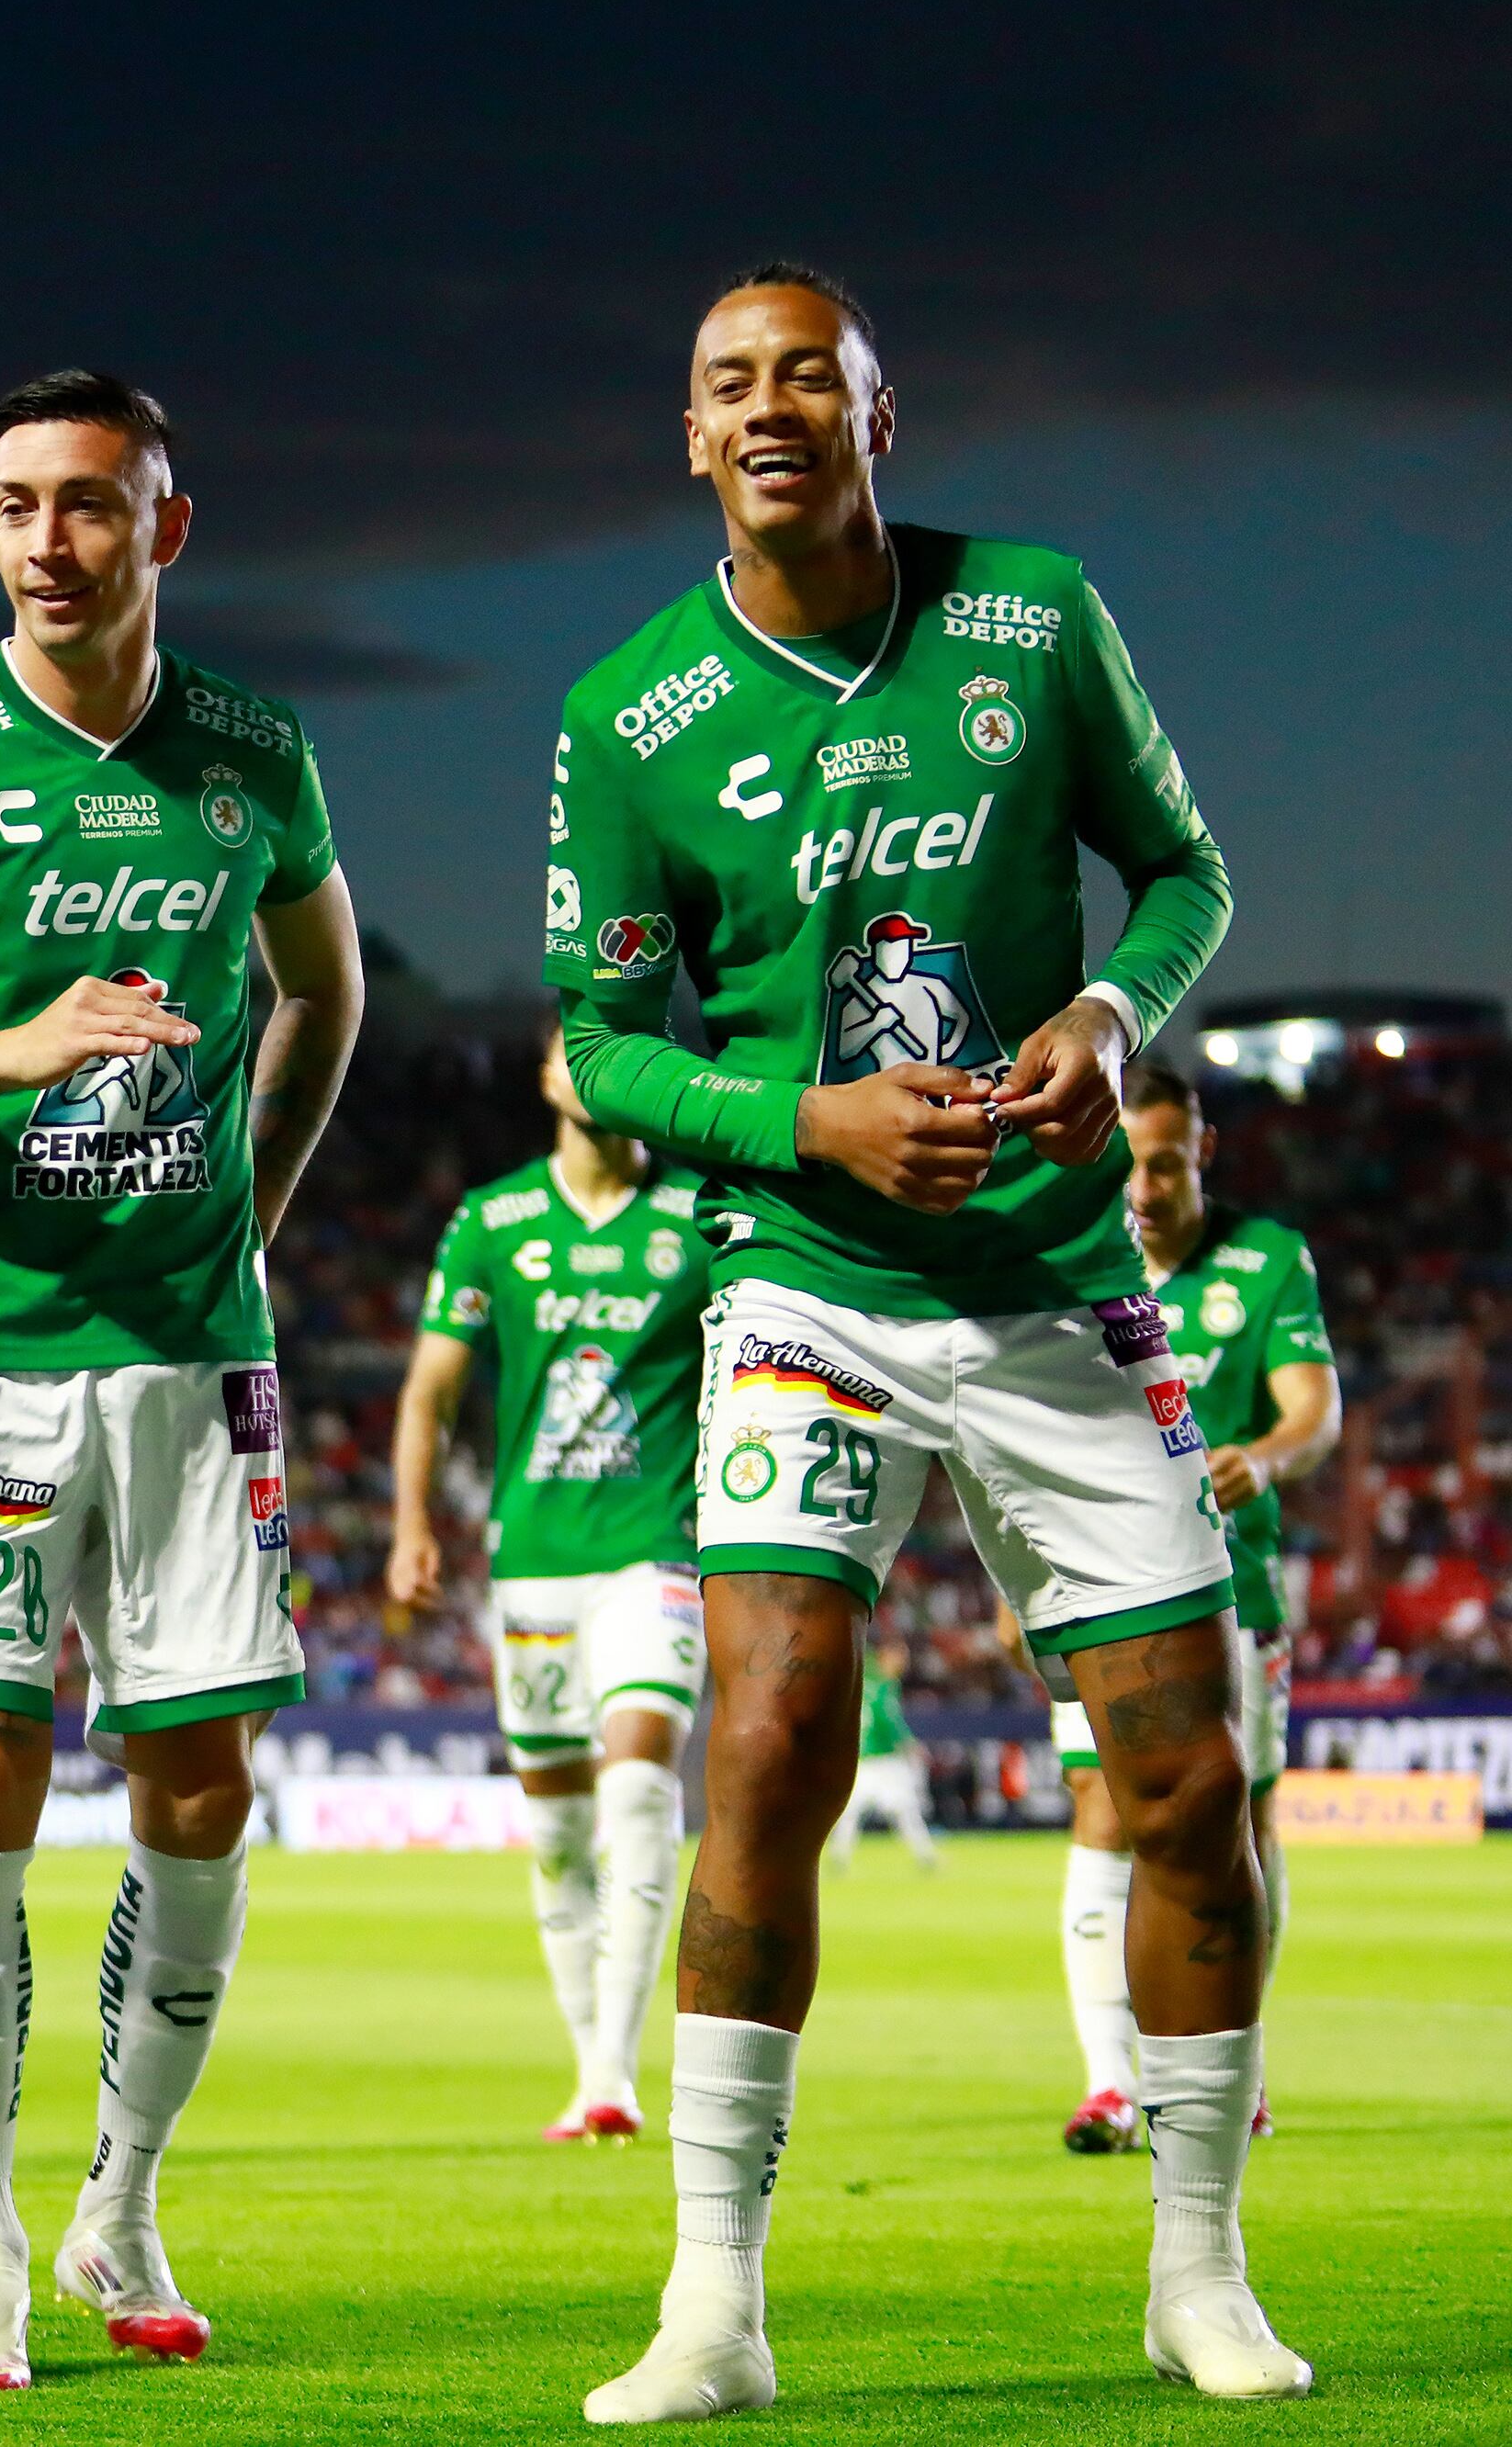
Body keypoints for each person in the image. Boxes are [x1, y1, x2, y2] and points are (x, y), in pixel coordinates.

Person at [547, 262, 1300, 2419]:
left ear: (886, 415)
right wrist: (806, 1118)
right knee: (766, 1740)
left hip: (1069, 1292)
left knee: (1187, 1780)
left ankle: (1193, 2274)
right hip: (804, 1293)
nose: (767, 405)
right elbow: (600, 1042)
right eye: (726, 383)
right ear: (689, 438)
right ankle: (711, 2303)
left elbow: (1179, 872)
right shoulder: (628, 713)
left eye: (809, 374)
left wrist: (1098, 1016)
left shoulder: (1035, 615)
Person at [0, 370, 365, 2389]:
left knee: (199, 1784)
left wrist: (254, 1211)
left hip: (192, 1346)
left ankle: (121, 2192)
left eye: (88, 505)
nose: (45, 539)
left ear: (162, 530)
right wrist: (6, 1048)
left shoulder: (251, 757)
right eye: (15, 504)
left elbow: (325, 990)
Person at [390, 1018, 707, 2144]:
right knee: (562, 1832)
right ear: (543, 1077)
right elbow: (430, 1390)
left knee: (637, 1792)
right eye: (576, 1053)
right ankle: (590, 2066)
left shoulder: (696, 1219)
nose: (592, 1074)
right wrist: (411, 1525)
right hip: (531, 1564)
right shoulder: (495, 1221)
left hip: (654, 1550)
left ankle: (615, 2075)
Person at [1037, 1061, 1337, 2152]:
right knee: (1103, 1809)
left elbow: (1315, 1406)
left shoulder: (1263, 1262)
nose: (1144, 1187)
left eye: (1164, 1162)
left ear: (1200, 1148)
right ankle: (1110, 2084)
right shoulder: (1068, 1253)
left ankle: (1231, 2064)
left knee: (1239, 1825)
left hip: (1231, 1594)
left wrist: (1264, 1454)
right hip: (1095, 1582)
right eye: (1128, 1162)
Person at [825, 1638, 940, 1872]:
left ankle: (838, 1856)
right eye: (900, 1657)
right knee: (905, 1810)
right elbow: (887, 1720)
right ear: (886, 1656)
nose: (903, 1663)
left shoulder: (868, 1680)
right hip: (884, 1761)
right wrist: (908, 1744)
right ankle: (925, 1856)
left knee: (852, 1812)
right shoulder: (884, 1685)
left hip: (865, 1758)